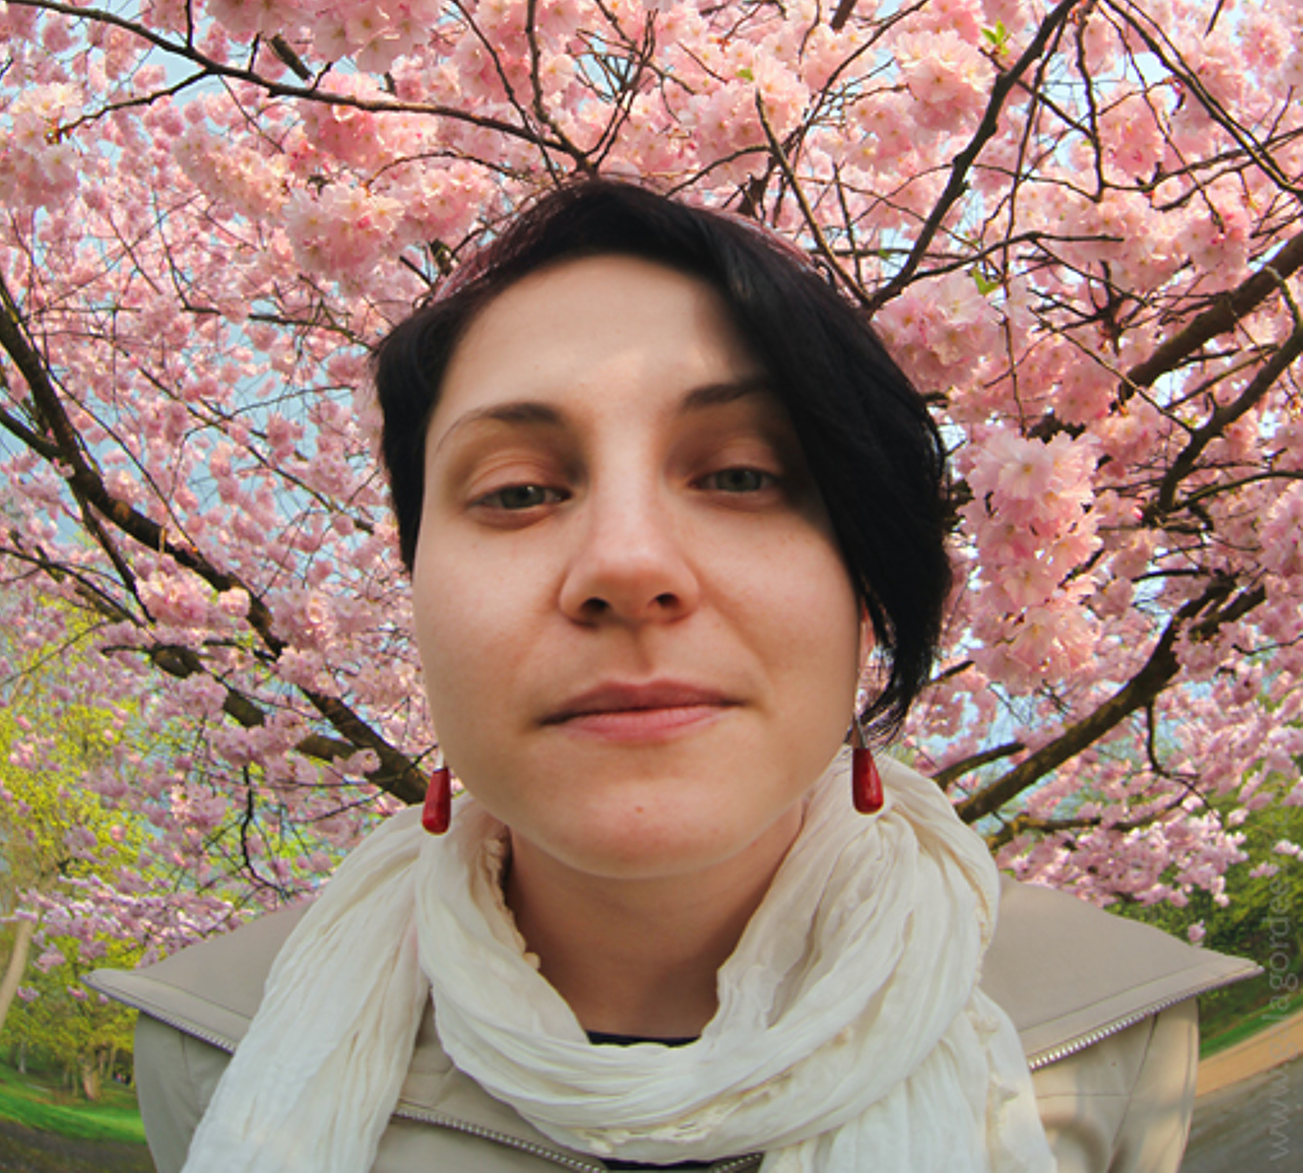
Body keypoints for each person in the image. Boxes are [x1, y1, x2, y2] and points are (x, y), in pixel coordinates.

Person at [96, 179, 1256, 1172]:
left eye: (742, 474)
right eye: (515, 490)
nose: (626, 563)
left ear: (867, 577)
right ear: (416, 582)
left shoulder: (1098, 1038)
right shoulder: (220, 1043)